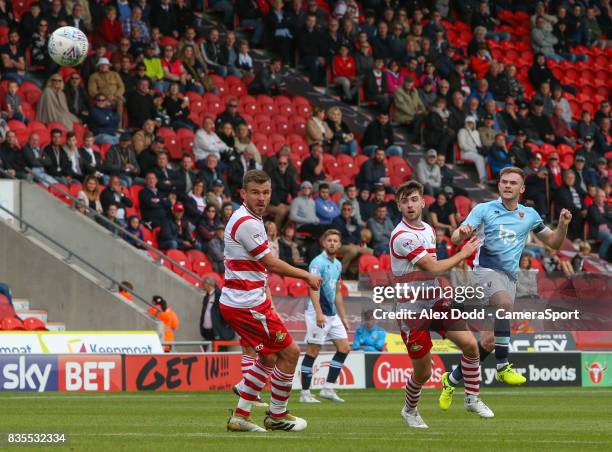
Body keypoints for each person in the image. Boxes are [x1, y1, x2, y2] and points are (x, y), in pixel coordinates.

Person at [445, 167, 572, 403]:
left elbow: (554, 243)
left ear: (521, 189)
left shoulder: (530, 215)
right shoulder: (484, 209)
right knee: (503, 304)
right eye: (504, 182)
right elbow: (454, 238)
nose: (507, 186)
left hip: (509, 278)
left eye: (513, 183)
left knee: (488, 342)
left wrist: (563, 224)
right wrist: (460, 233)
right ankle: (503, 366)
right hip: (484, 272)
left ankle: (451, 379)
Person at [223, 170, 322, 432]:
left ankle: (240, 416)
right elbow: (270, 262)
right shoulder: (246, 222)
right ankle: (277, 415)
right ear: (243, 193)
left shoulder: (251, 219)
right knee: (290, 353)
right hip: (246, 303)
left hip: (248, 300)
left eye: (266, 192)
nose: (261, 197)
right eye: (255, 192)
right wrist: (305, 275)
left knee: (268, 359)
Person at [388, 181, 490, 429]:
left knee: (471, 346)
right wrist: (463, 252)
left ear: (423, 202)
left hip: (436, 302)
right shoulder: (402, 236)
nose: (410, 204)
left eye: (414, 199)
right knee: (424, 372)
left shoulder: (428, 229)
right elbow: (432, 267)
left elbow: (434, 272)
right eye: (404, 200)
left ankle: (472, 398)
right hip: (412, 311)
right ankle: (409, 410)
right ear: (399, 205)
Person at [299, 229, 351, 404]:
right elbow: (313, 288)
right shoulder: (317, 262)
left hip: (332, 315)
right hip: (317, 313)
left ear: (340, 244)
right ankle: (305, 393)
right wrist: (319, 313)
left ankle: (328, 388)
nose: (332, 243)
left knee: (344, 348)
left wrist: (343, 317)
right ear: (323, 243)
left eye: (336, 241)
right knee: (313, 351)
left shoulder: (337, 264)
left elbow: (337, 293)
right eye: (329, 240)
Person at [332, 202, 373, 274]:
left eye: (348, 210)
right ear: (341, 210)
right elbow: (337, 237)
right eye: (344, 209)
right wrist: (349, 243)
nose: (346, 211)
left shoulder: (354, 221)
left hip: (354, 245)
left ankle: (352, 270)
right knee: (353, 250)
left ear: (351, 211)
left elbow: (358, 236)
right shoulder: (336, 221)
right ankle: (340, 271)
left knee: (370, 252)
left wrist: (357, 244)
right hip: (340, 245)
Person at [457, 116, 487, 184]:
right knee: (479, 158)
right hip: (465, 153)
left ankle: (487, 178)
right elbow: (462, 145)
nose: (470, 124)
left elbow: (479, 144)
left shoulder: (476, 132)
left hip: (476, 152)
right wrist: (474, 150)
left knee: (486, 158)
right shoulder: (462, 131)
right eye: (468, 123)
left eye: (472, 123)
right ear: (465, 123)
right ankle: (482, 178)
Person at [587, 189, 612, 260]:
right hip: (597, 231)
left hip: (609, 229)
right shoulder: (592, 207)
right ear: (595, 197)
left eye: (603, 196)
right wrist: (607, 217)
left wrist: (603, 214)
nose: (601, 198)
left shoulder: (607, 207)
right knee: (610, 237)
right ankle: (601, 256)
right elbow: (597, 220)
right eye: (599, 196)